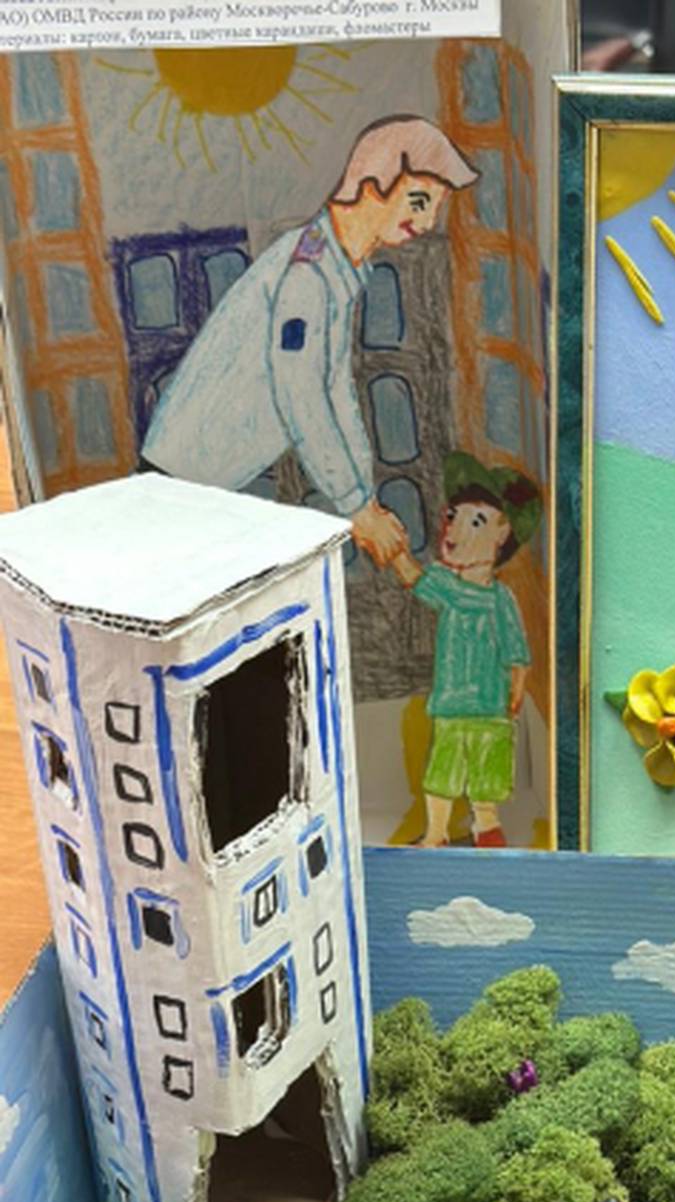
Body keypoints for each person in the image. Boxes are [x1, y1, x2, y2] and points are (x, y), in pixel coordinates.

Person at [142, 115, 477, 570]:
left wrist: (364, 501)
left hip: (201, 490)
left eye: (434, 207)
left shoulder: (338, 269)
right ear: (373, 184)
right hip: (174, 493)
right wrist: (357, 507)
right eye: (418, 202)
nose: (427, 221)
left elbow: (335, 391)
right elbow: (303, 395)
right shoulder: (308, 276)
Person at [395, 450, 541, 848]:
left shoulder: (501, 599)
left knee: (487, 774)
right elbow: (413, 577)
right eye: (453, 515)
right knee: (442, 772)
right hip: (451, 704)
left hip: (491, 707)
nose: (455, 528)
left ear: (502, 534)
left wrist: (516, 691)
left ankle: (487, 826)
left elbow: (516, 652)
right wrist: (392, 548)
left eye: (476, 521)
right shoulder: (445, 584)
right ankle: (437, 833)